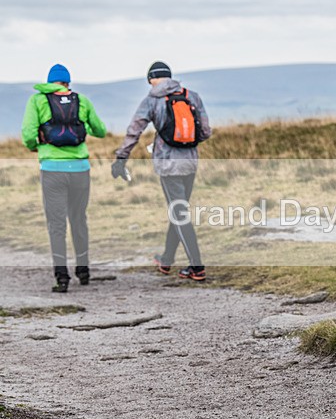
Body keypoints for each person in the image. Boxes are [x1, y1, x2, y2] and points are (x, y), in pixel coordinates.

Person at [112, 61, 211, 281]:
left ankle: (197, 267)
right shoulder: (192, 96)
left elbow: (134, 131)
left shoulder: (152, 100)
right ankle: (166, 259)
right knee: (179, 211)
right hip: (190, 162)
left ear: (152, 79)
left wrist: (121, 157)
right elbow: (205, 132)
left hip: (168, 164)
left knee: (179, 213)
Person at [21, 64, 107, 292]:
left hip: (52, 169)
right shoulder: (82, 100)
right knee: (79, 219)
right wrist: (84, 125)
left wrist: (35, 146)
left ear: (50, 81)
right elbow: (100, 130)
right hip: (80, 168)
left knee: (56, 224)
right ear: (68, 82)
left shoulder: (37, 101)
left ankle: (62, 277)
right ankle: (84, 270)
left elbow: (28, 134)